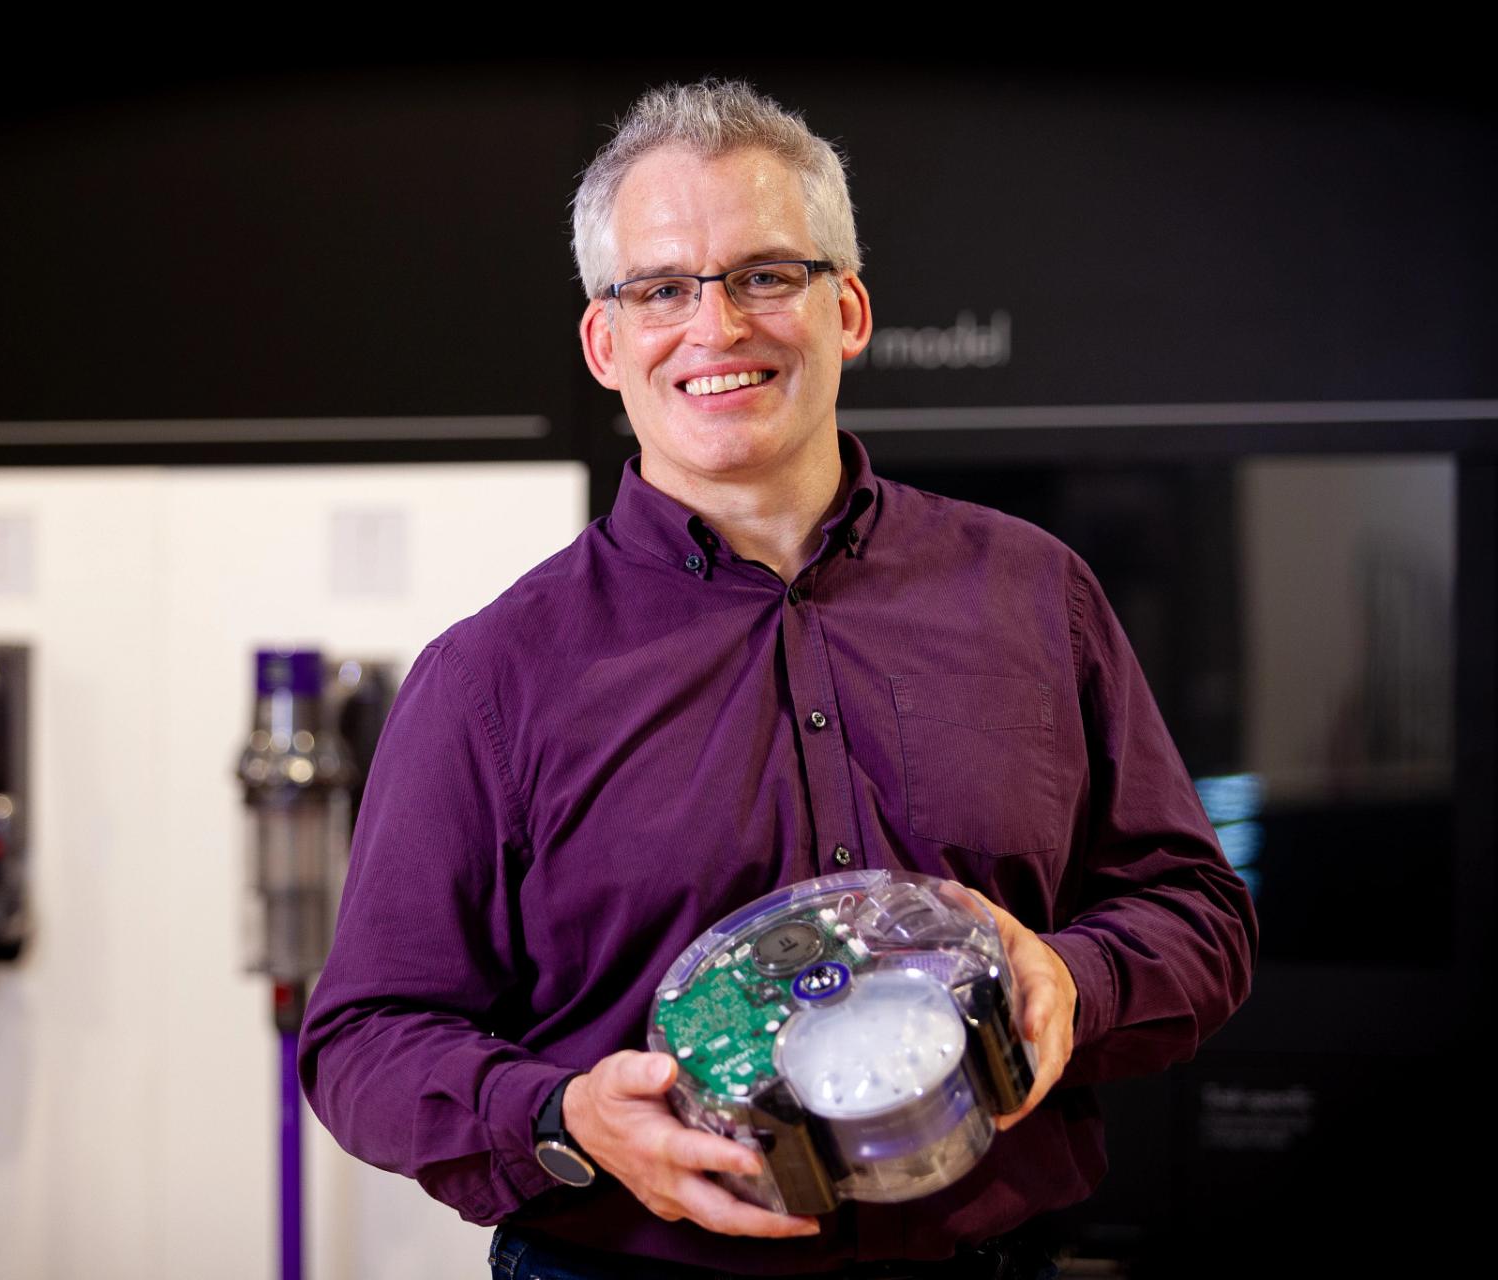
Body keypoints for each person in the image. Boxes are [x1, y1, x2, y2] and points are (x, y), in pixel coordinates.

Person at [300, 80, 1256, 1279]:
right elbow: (365, 1039)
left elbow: (1198, 910)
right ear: (605, 343)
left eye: (763, 275)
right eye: (661, 288)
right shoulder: (491, 676)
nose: (715, 327)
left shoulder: (1034, 595)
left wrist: (1080, 978)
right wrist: (562, 1115)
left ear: (845, 309)